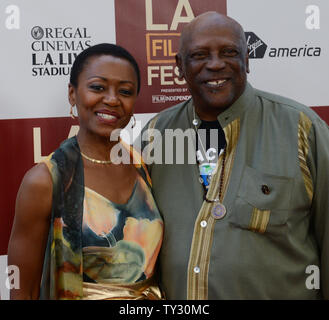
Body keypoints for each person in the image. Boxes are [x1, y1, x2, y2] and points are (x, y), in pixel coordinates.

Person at [139, 12, 329, 299]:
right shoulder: (157, 134)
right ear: (180, 66)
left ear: (247, 60)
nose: (215, 64)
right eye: (200, 55)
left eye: (229, 52)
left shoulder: (301, 128)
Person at [8, 43, 164, 300]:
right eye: (98, 88)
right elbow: (22, 289)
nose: (112, 99)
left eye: (125, 91)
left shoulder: (146, 167)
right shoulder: (45, 180)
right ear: (72, 94)